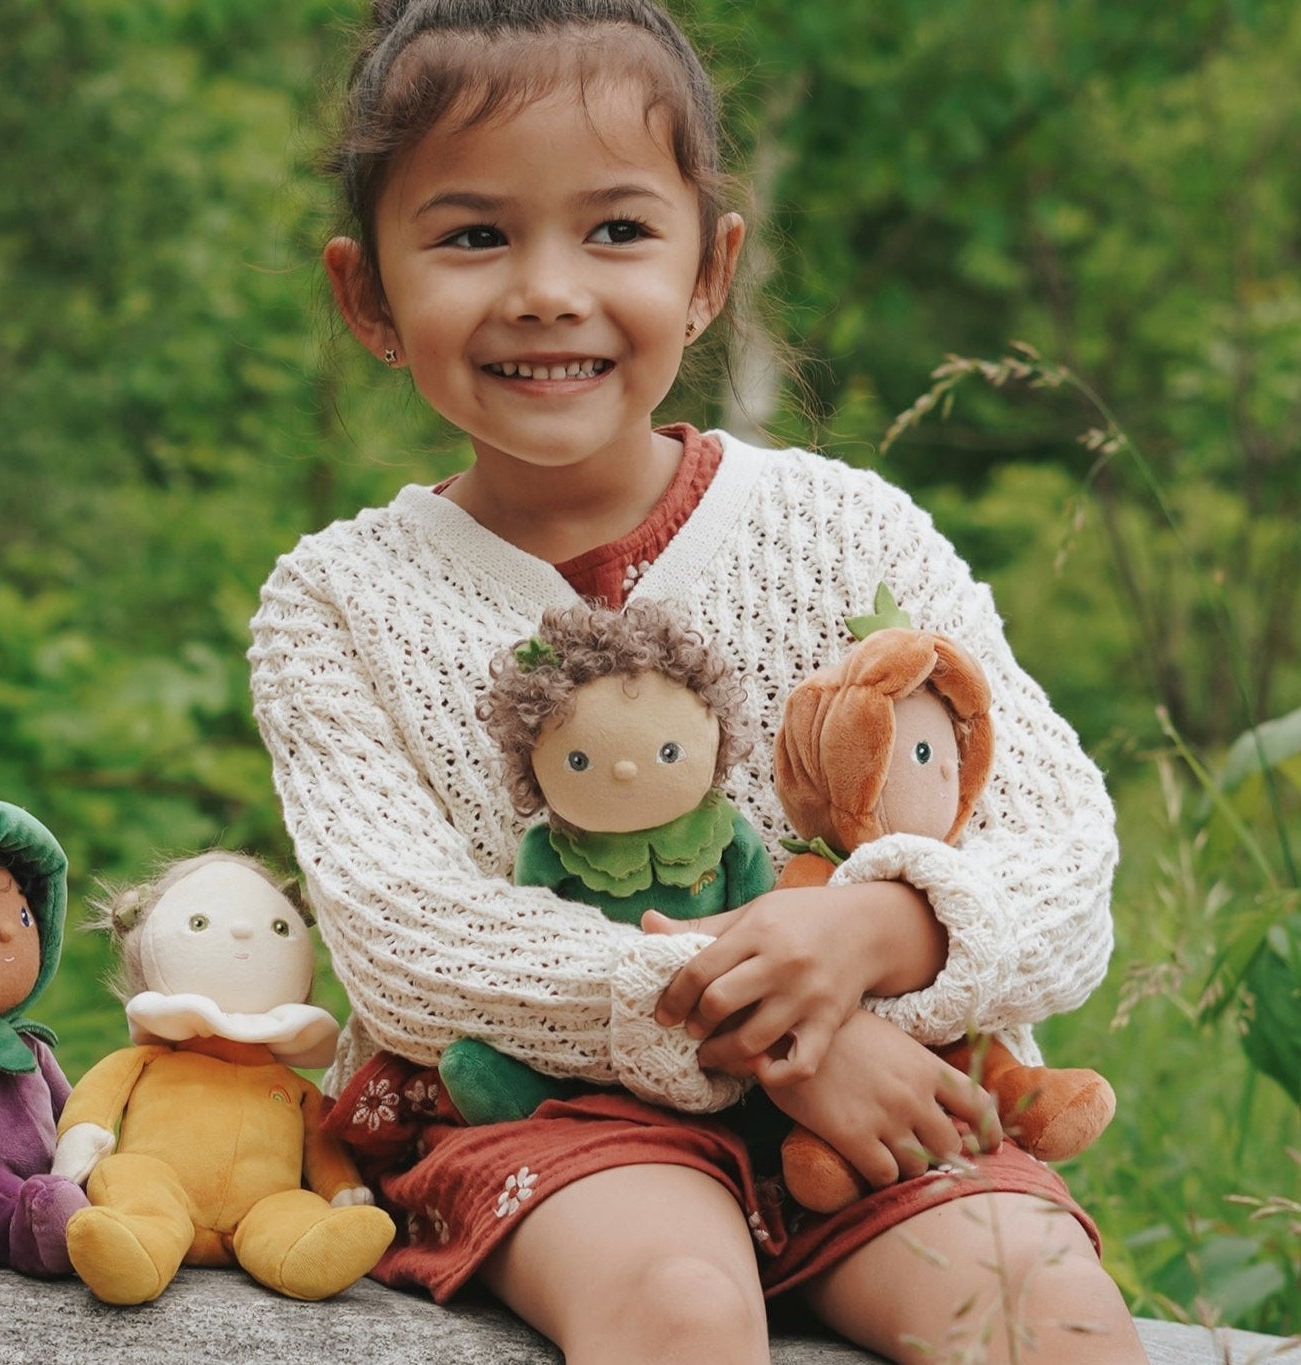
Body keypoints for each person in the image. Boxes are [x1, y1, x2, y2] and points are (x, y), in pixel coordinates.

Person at [245, 2, 1147, 1361]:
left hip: (889, 1096)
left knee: (1040, 1306)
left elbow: (1062, 850)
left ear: (710, 267)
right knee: (675, 1304)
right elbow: (406, 936)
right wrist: (781, 1038)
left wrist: (878, 934)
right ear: (367, 290)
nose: (548, 287)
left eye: (616, 229)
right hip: (553, 1112)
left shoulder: (849, 535)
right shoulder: (337, 600)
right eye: (474, 234)